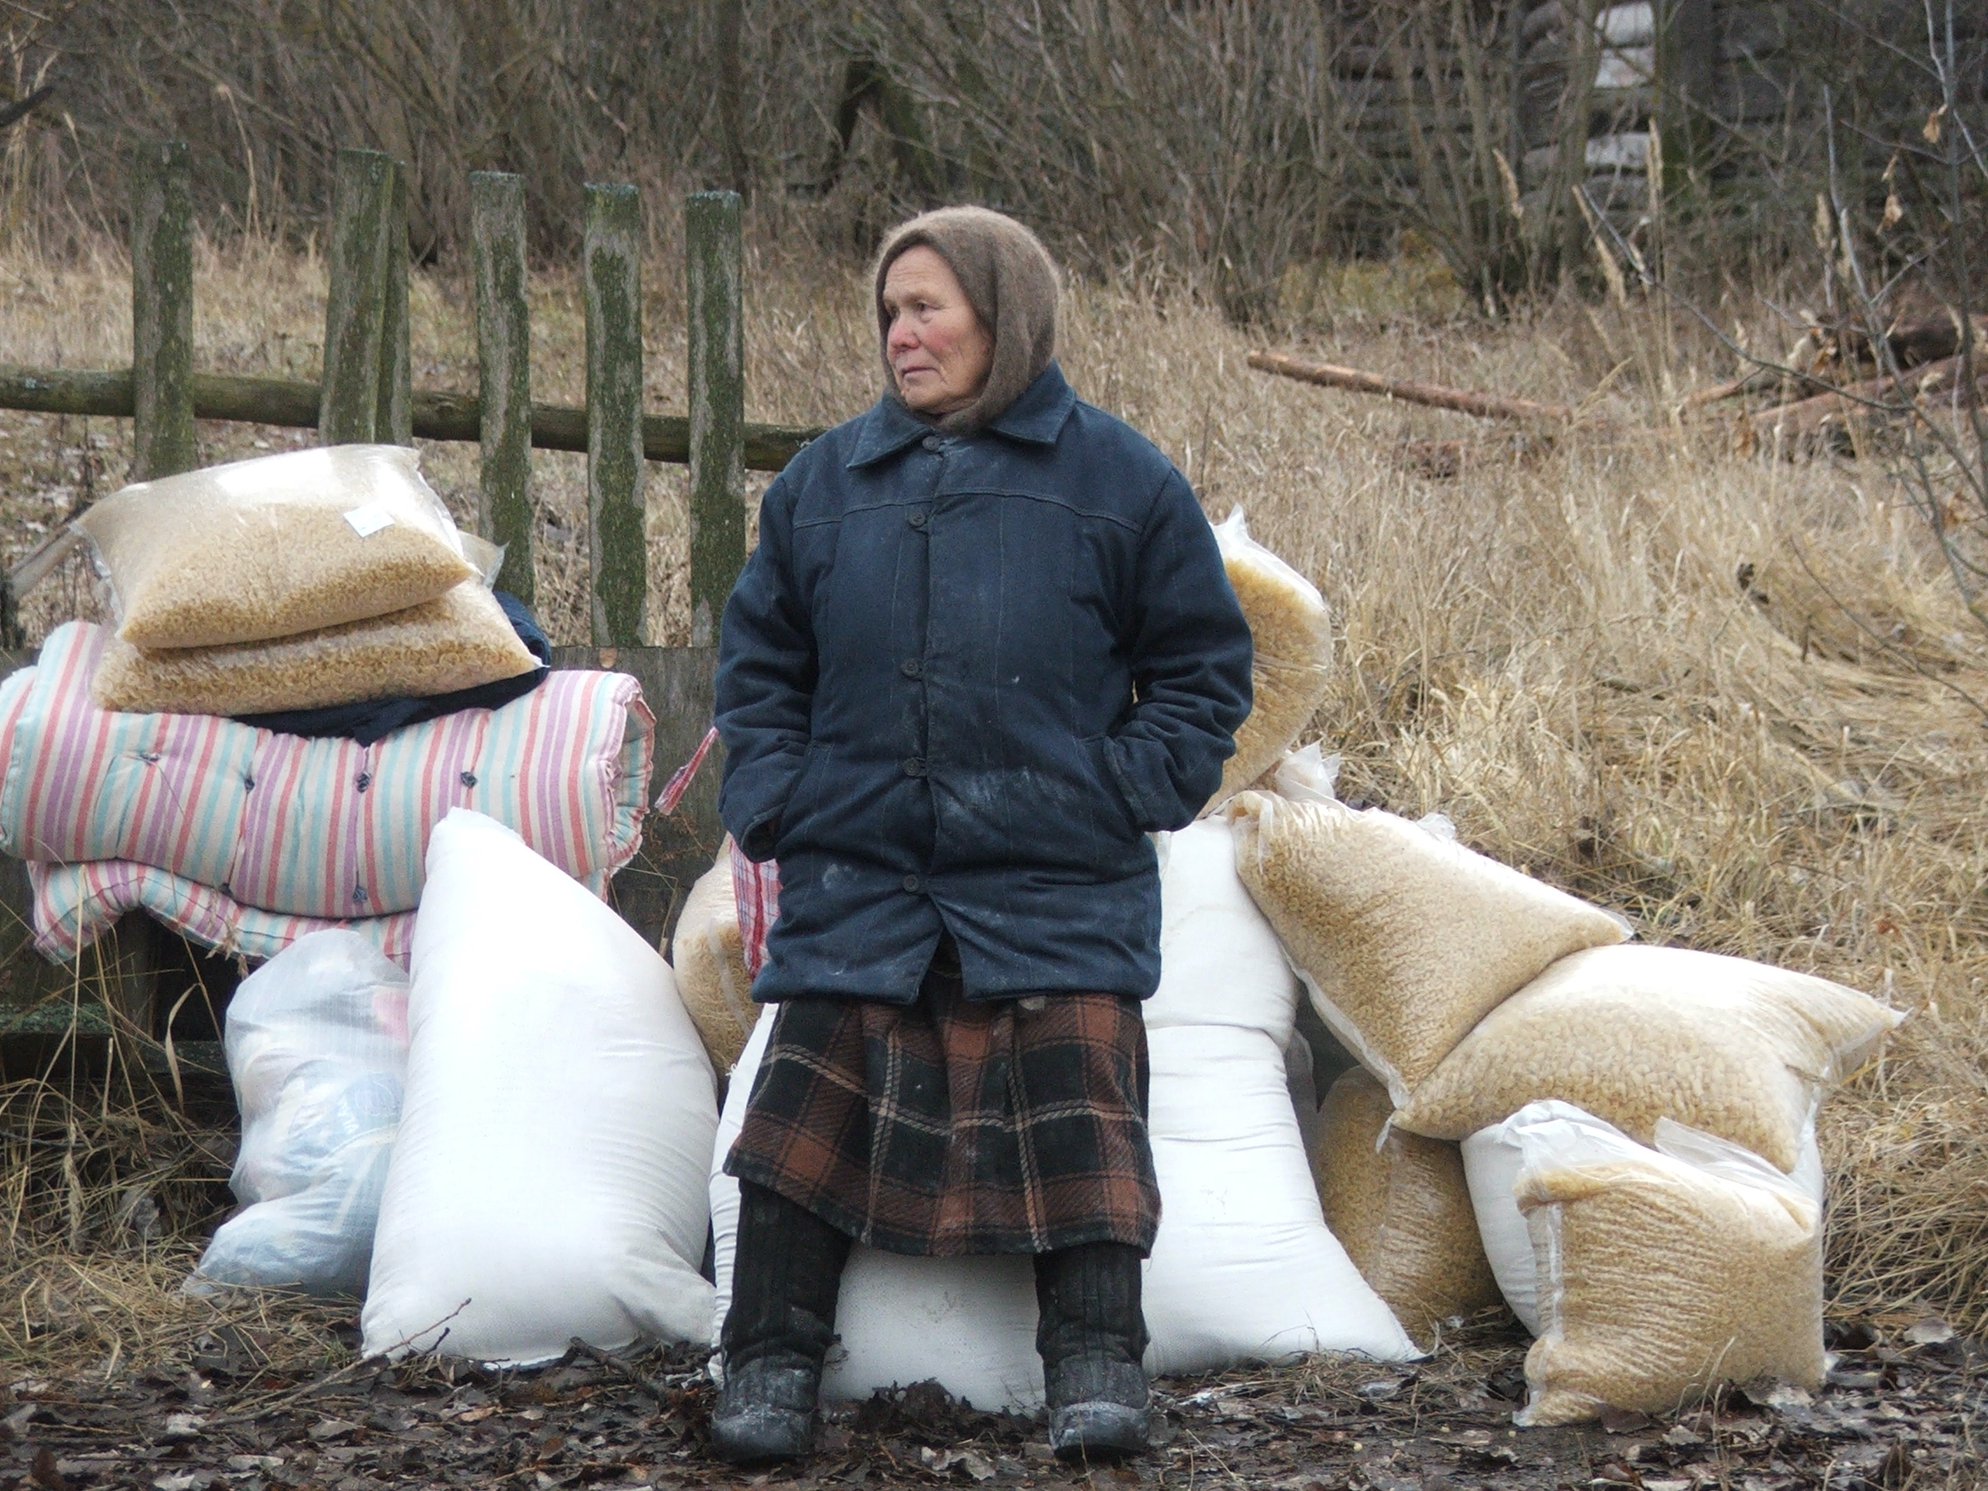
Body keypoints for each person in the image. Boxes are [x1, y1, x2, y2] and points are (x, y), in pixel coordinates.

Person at [710, 205, 1253, 1466]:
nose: (899, 335)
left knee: (1080, 1081)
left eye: (926, 308)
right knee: (799, 1104)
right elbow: (761, 668)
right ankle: (768, 1368)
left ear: (1003, 317)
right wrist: (777, 798)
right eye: (888, 313)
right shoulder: (823, 485)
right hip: (861, 867)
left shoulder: (1119, 480)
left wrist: (1120, 788)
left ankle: (1098, 1370)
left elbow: (1200, 670)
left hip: (1054, 874)